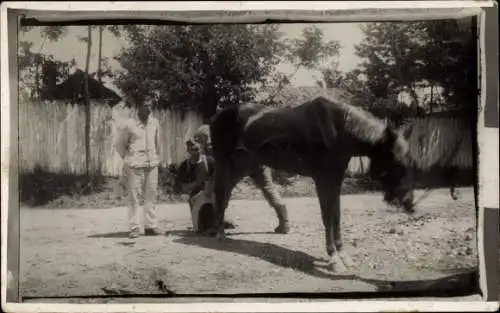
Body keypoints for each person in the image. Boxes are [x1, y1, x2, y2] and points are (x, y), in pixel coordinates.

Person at [191, 124, 290, 234]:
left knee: (222, 191)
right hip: (260, 161)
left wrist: (210, 183)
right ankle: (284, 222)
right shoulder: (237, 130)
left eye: (200, 140)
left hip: (238, 164)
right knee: (269, 189)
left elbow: (220, 166)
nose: (200, 144)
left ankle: (217, 226)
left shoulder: (214, 143)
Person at [115, 101, 162, 239]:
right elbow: (119, 144)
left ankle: (150, 226)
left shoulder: (155, 123)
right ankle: (134, 227)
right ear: (138, 107)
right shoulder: (129, 124)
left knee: (151, 196)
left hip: (151, 164)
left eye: (150, 105)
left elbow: (158, 143)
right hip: (135, 165)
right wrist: (129, 158)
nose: (148, 107)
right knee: (134, 197)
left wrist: (156, 158)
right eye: (145, 104)